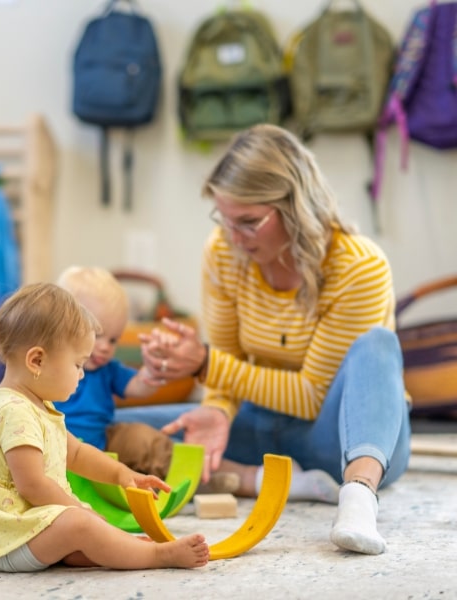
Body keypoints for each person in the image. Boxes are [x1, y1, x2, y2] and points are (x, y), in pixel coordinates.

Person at [132, 124, 411, 556]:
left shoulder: (360, 266)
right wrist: (216, 410)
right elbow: (226, 357)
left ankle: (357, 497)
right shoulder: (223, 250)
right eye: (223, 219)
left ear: (297, 209)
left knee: (377, 345)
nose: (233, 236)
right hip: (261, 427)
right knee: (105, 426)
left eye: (248, 222)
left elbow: (311, 396)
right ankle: (261, 479)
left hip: (338, 437)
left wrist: (204, 364)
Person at [0, 282, 209, 572]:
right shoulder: (13, 410)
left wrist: (123, 475)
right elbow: (33, 485)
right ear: (37, 361)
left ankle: (127, 548)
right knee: (80, 524)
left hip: (25, 531)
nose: (82, 373)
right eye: (77, 364)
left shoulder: (38, 405)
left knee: (88, 534)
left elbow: (76, 454)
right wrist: (80, 511)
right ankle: (158, 557)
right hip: (2, 541)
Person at [56, 266, 174, 478]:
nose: (105, 347)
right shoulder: (51, 366)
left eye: (113, 340)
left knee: (144, 439)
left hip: (103, 448)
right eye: (97, 335)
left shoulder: (108, 370)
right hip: (56, 453)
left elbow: (138, 387)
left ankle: (170, 479)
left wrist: (151, 371)